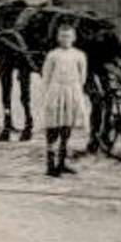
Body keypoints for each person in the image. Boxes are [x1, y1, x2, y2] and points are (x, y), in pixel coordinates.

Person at [40, 18, 87, 177]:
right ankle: (50, 164)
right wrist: (49, 95)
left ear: (74, 38)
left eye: (69, 36)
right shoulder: (53, 55)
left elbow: (82, 76)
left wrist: (76, 92)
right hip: (56, 91)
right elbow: (46, 76)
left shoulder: (79, 55)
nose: (65, 40)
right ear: (58, 38)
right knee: (53, 127)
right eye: (62, 36)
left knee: (67, 127)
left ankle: (62, 162)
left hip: (72, 91)